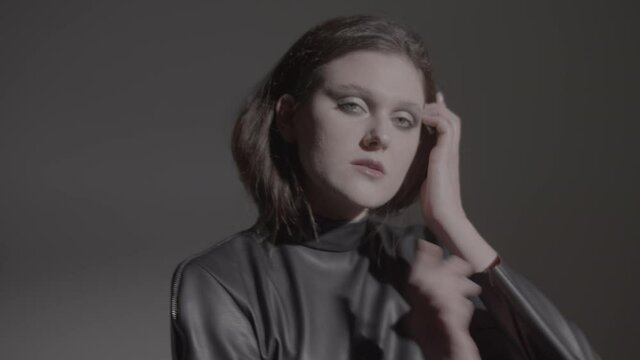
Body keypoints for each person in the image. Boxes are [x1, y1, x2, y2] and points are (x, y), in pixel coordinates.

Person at [169, 14, 601, 359]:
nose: (380, 136)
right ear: (287, 117)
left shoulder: (430, 268)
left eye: (404, 120)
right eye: (352, 105)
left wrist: (454, 221)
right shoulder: (222, 279)